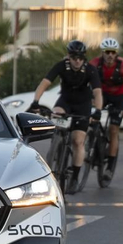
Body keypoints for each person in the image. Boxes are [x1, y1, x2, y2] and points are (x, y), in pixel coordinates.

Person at [29, 40, 102, 180]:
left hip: (83, 105)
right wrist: (35, 102)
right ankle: (58, 141)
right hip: (65, 101)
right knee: (56, 113)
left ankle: (75, 175)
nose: (77, 61)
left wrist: (97, 110)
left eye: (81, 58)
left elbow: (98, 92)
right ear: (69, 56)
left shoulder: (90, 69)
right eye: (74, 57)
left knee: (77, 141)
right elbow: (44, 83)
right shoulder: (61, 66)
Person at [93, 37, 123, 175]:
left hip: (118, 97)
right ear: (102, 53)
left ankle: (110, 165)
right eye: (107, 52)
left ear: (116, 53)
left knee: (113, 129)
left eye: (113, 52)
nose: (110, 55)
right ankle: (93, 139)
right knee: (92, 118)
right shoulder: (95, 63)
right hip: (102, 95)